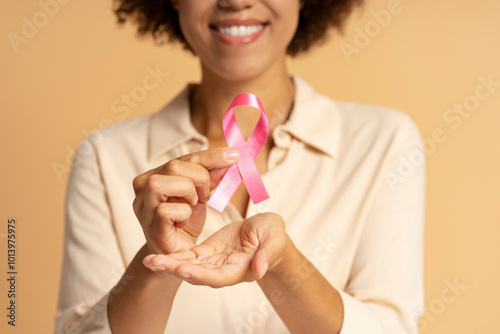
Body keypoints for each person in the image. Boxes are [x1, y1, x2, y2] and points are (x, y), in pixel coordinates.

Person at [55, 0, 425, 333]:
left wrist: (284, 266)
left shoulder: (384, 141)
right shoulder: (104, 156)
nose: (236, 1)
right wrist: (157, 259)